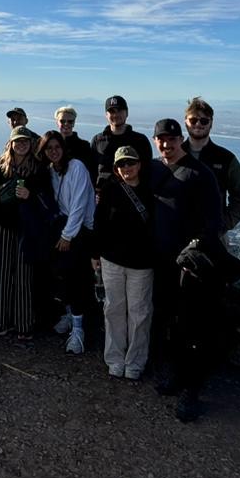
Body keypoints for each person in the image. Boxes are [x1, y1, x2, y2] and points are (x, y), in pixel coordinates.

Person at [150, 117, 226, 422]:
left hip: (190, 267)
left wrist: (194, 251)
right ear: (155, 141)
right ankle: (177, 377)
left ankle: (192, 391)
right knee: (171, 323)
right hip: (161, 262)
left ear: (181, 139)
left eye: (171, 139)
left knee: (195, 328)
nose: (166, 144)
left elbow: (214, 222)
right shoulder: (155, 168)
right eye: (161, 139)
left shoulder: (200, 174)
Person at [94, 145, 155, 379]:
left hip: (142, 262)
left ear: (139, 164)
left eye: (130, 163)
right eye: (121, 164)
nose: (126, 168)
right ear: (116, 169)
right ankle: (115, 358)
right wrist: (95, 254)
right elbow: (98, 222)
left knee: (139, 313)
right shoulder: (109, 190)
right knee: (113, 309)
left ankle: (136, 361)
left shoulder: (150, 191)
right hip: (112, 259)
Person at [0, 126, 56, 340]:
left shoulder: (39, 169)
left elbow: (48, 199)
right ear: (10, 143)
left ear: (30, 144)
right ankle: (1, 321)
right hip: (3, 227)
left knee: (23, 276)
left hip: (27, 229)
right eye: (17, 141)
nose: (21, 145)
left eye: (25, 142)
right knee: (2, 275)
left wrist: (31, 194)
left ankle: (24, 324)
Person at [39, 130, 96, 354]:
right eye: (49, 148)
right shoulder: (50, 171)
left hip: (80, 230)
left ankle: (79, 330)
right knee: (62, 275)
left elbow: (80, 205)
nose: (54, 152)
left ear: (64, 148)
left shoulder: (76, 167)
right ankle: (71, 316)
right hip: (64, 227)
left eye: (57, 147)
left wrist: (67, 235)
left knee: (76, 278)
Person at [182, 96, 240, 234]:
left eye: (204, 120)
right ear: (186, 122)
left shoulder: (225, 158)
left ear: (211, 123)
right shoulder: (175, 155)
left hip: (213, 235)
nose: (198, 124)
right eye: (193, 120)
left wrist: (224, 223)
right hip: (177, 233)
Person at [90, 95, 152, 191]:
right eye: (112, 111)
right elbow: (92, 170)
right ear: (106, 115)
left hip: (133, 196)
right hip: (104, 197)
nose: (116, 115)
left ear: (127, 113)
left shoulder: (140, 140)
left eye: (119, 110)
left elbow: (147, 170)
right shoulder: (97, 140)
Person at [54, 105, 95, 179]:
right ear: (57, 122)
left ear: (74, 123)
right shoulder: (52, 144)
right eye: (62, 121)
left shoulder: (84, 146)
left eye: (70, 121)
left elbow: (91, 170)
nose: (66, 124)